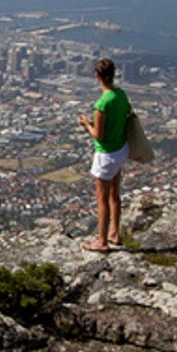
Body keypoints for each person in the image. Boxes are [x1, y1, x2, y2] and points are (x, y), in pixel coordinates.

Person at [76, 57, 130, 252]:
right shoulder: (121, 95)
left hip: (106, 155)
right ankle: (114, 233)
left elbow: (98, 135)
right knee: (115, 194)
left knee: (102, 199)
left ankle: (102, 241)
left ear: (97, 75)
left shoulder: (102, 104)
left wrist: (86, 124)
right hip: (121, 149)